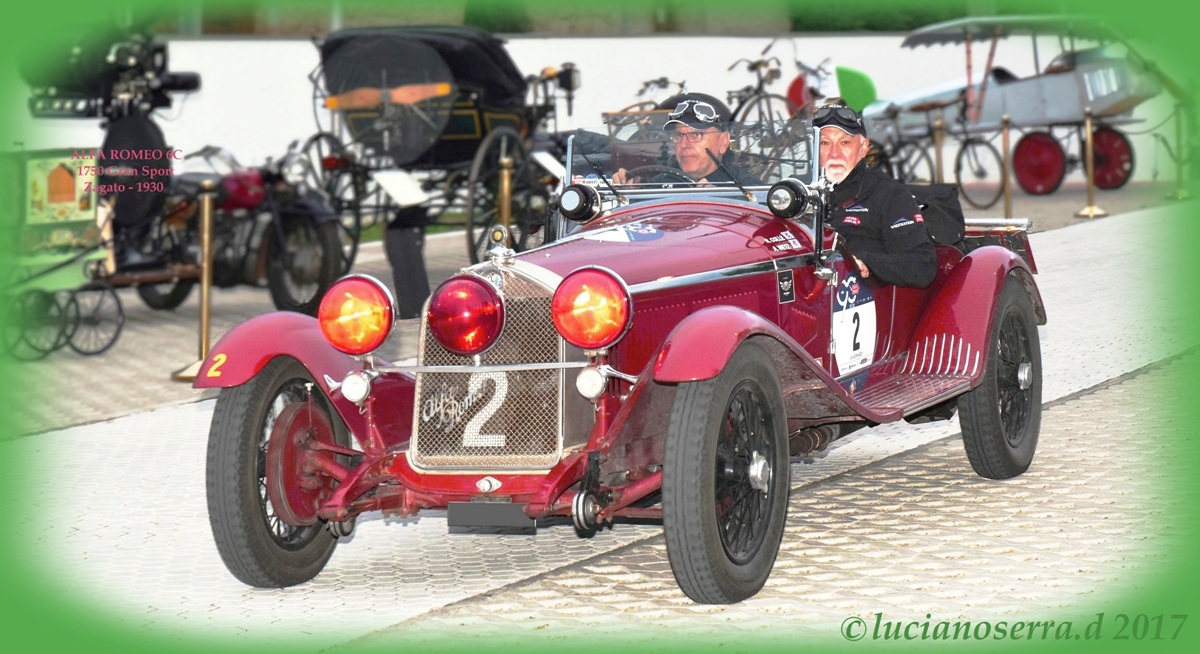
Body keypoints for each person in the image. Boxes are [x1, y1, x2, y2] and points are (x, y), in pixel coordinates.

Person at [815, 101, 936, 288]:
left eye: (845, 142)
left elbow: (922, 266)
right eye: (824, 143)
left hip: (859, 298)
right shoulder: (792, 194)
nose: (834, 153)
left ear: (863, 148)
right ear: (813, 148)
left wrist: (861, 261)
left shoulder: (889, 194)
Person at [612, 93, 763, 186]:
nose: (684, 145)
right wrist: (630, 189)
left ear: (723, 141)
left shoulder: (746, 188)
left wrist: (722, 199)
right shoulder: (661, 184)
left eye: (696, 135)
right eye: (678, 135)